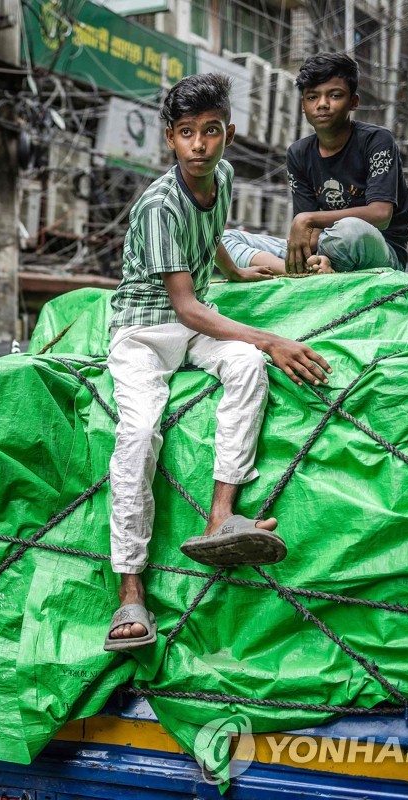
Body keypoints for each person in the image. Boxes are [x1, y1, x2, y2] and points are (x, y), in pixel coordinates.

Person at [103, 74, 331, 652]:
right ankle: (129, 591)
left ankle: (220, 518)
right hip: (143, 334)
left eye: (210, 132)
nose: (200, 145)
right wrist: (270, 337)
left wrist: (236, 274)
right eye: (187, 134)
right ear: (170, 140)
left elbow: (214, 235)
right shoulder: (157, 205)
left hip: (193, 324)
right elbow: (185, 306)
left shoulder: (223, 175)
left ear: (228, 133)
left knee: (248, 368)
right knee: (140, 433)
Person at [221, 52, 408, 276]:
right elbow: (308, 234)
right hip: (324, 247)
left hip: (378, 252)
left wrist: (308, 219)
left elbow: (381, 214)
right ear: (303, 105)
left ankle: (316, 268)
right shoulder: (299, 153)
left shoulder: (377, 140)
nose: (322, 104)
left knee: (348, 230)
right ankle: (299, 271)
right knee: (225, 240)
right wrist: (305, 253)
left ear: (353, 102)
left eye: (335, 95)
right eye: (312, 97)